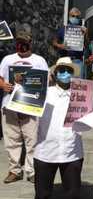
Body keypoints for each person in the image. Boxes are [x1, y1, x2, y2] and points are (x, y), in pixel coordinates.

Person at [0, 30, 49, 183]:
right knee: (11, 139)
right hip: (9, 105)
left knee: (32, 140)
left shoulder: (39, 60)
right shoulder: (8, 59)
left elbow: (46, 82)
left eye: (25, 43)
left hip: (31, 105)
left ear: (30, 43)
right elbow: (0, 78)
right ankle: (14, 170)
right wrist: (3, 85)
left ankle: (31, 171)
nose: (21, 46)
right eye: (19, 43)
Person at [33, 57, 83, 199]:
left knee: (72, 194)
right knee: (42, 194)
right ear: (55, 73)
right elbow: (25, 107)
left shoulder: (82, 94)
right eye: (62, 70)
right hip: (45, 151)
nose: (65, 73)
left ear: (73, 73)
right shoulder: (44, 92)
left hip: (72, 151)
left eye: (69, 70)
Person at [52, 7, 87, 78]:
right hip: (64, 59)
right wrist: (60, 46)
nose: (75, 18)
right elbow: (54, 42)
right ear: (69, 17)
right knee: (63, 82)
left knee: (77, 85)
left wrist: (86, 35)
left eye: (77, 17)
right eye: (73, 16)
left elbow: (87, 45)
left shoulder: (82, 30)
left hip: (77, 60)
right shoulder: (63, 29)